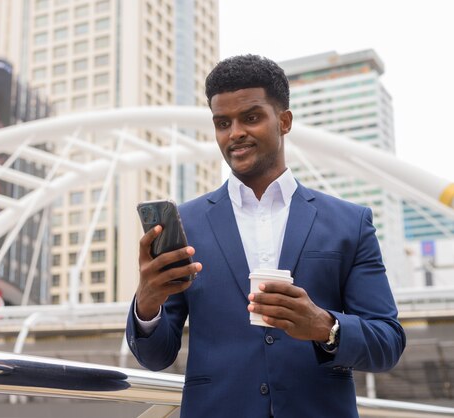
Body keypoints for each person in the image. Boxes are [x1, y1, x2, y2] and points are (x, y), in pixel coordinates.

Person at [125, 54, 406, 418]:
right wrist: (147, 303)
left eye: (251, 117)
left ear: (284, 121)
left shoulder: (350, 223)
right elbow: (156, 356)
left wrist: (326, 327)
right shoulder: (186, 224)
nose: (235, 132)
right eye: (222, 123)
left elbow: (388, 342)